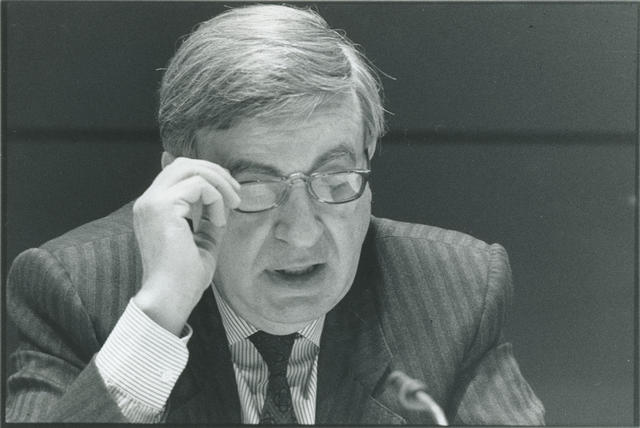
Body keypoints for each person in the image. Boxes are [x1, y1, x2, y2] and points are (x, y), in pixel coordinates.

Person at [6, 4, 544, 424]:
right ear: (183, 188)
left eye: (335, 180)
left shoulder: (455, 290)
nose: (302, 234)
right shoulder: (76, 292)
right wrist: (158, 318)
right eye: (256, 187)